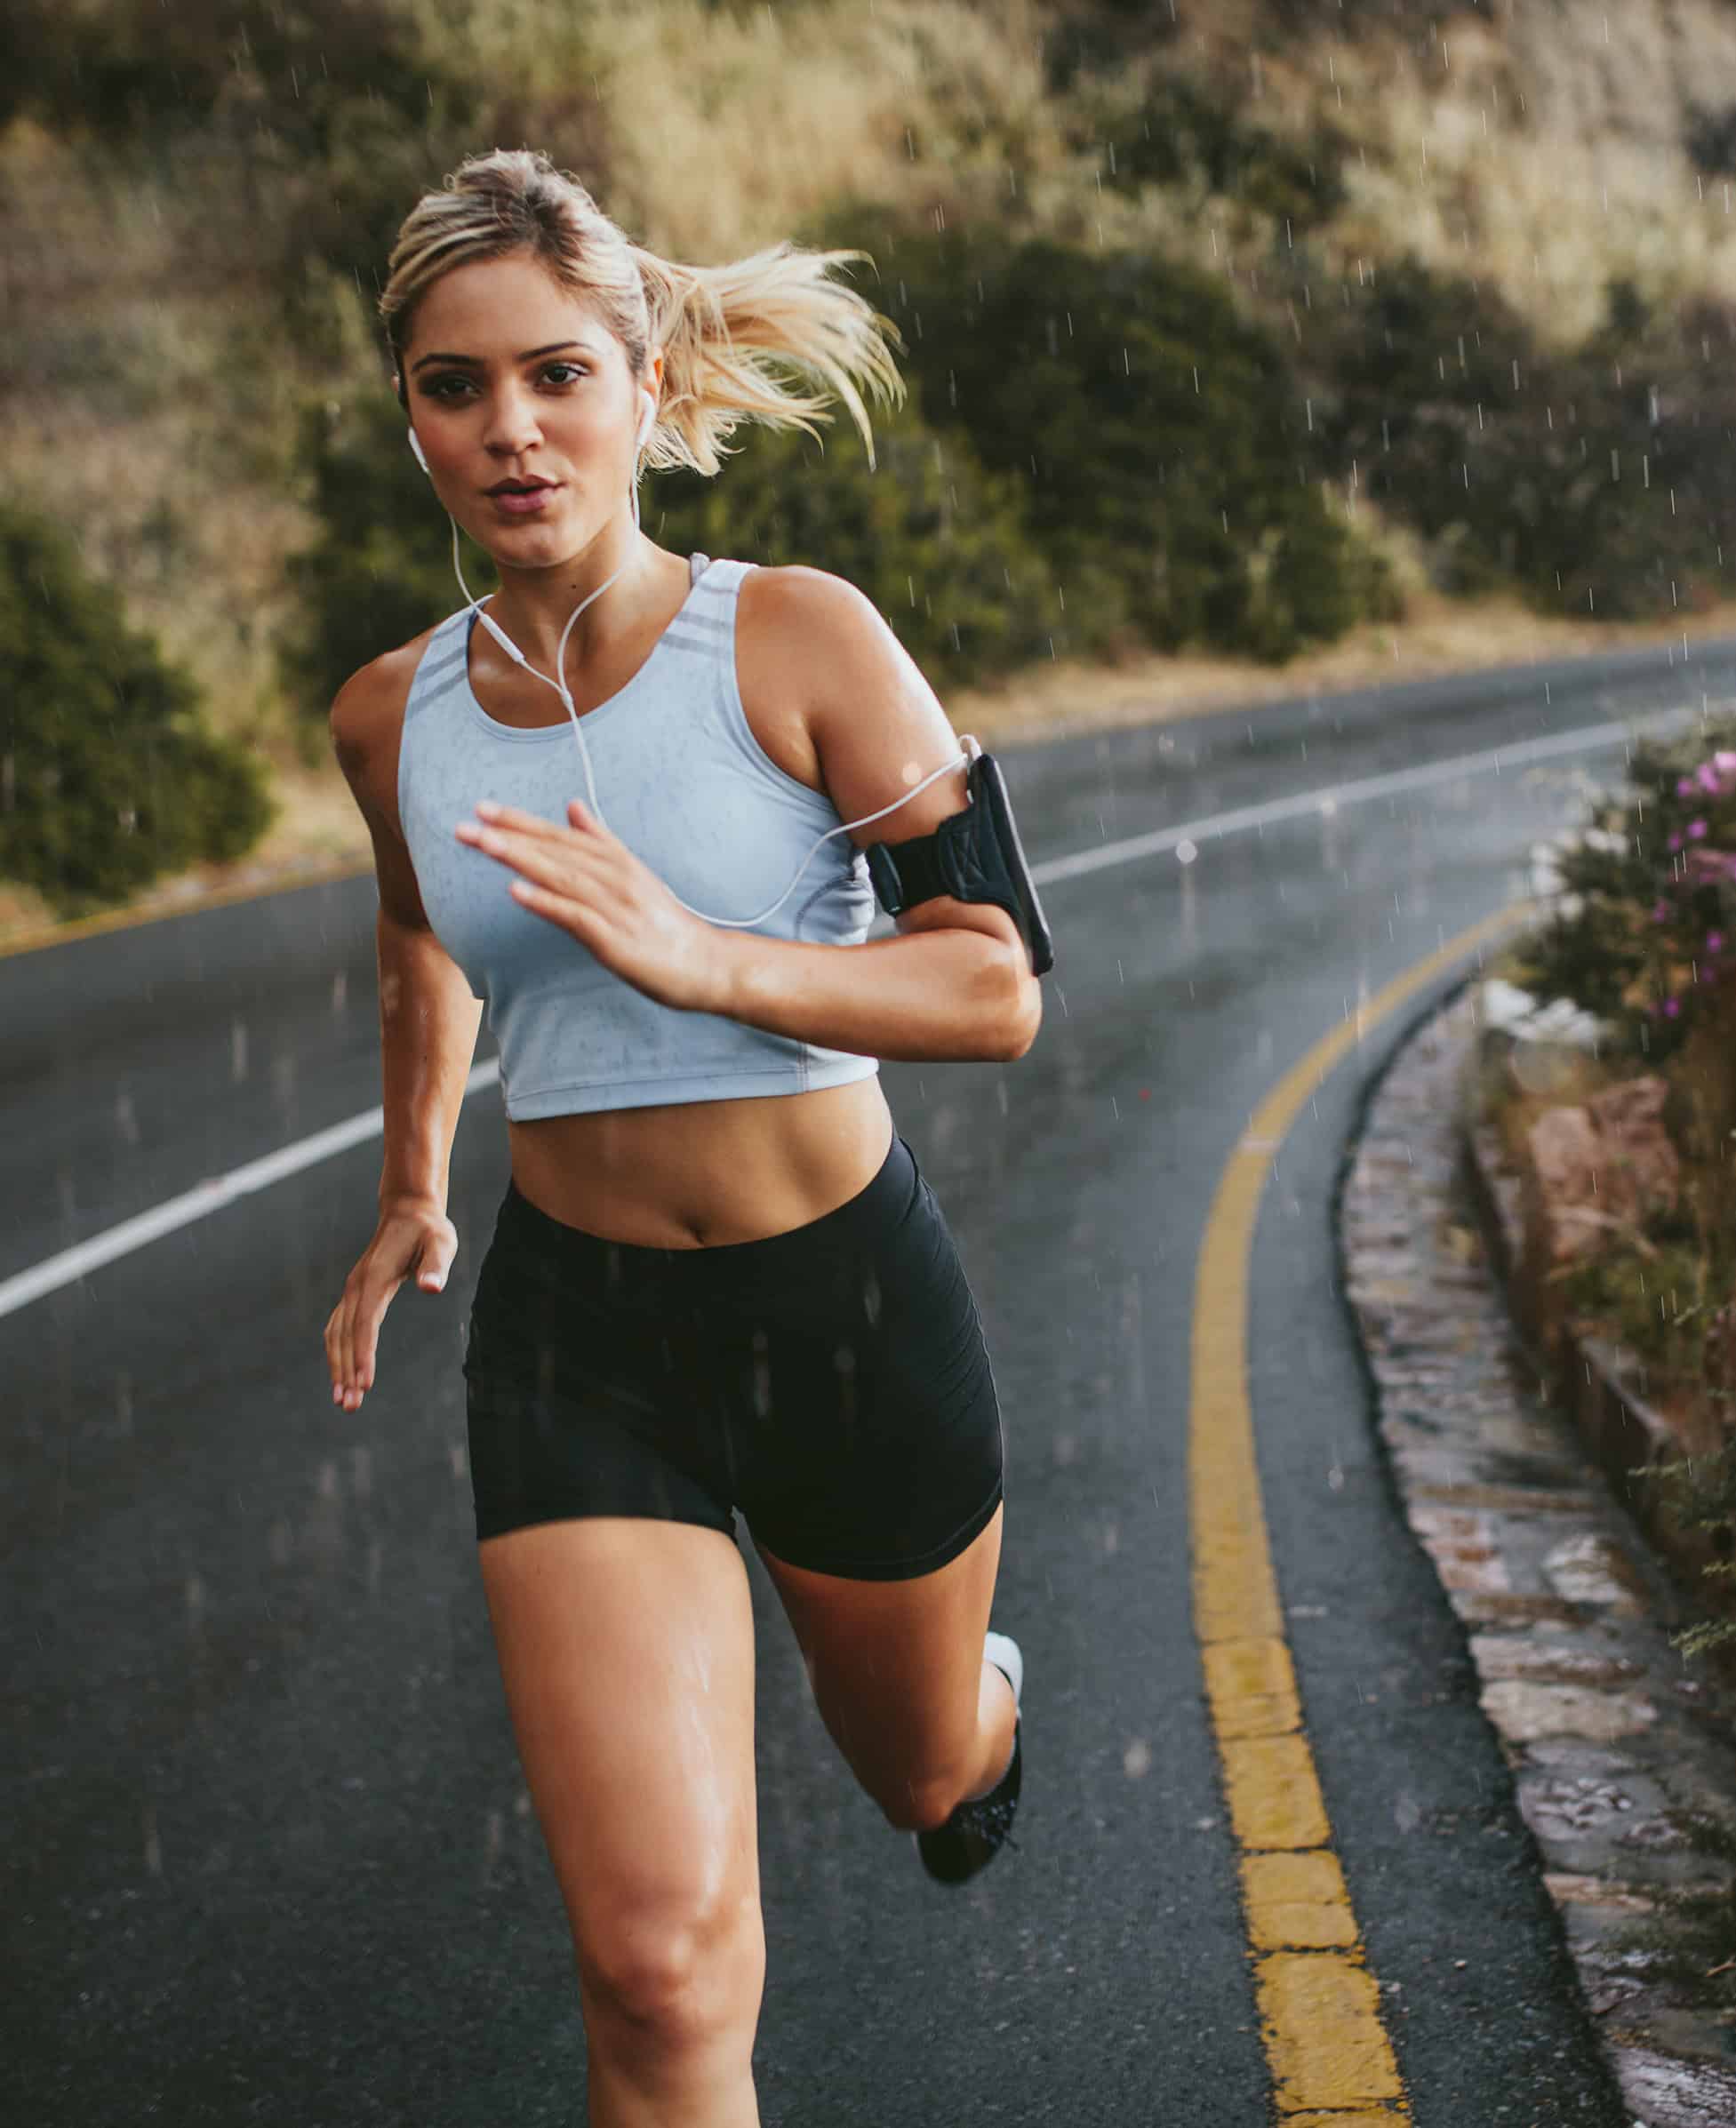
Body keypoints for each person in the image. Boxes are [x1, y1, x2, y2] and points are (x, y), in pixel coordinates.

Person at [320, 147, 1036, 2126]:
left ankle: (987, 1719)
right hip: (580, 1347)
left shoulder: (800, 640)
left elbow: (995, 985)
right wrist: (410, 1181)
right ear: (412, 417)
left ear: (643, 382)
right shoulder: (392, 716)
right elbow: (416, 927)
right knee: (653, 1967)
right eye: (455, 388)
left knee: (917, 1775)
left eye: (556, 373)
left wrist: (710, 959)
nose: (511, 430)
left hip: (845, 1311)